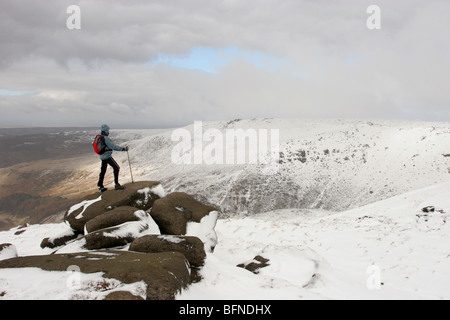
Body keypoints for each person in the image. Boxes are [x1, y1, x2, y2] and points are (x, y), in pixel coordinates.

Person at [97, 124, 129, 192]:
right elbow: (113, 146)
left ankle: (100, 186)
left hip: (102, 156)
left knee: (103, 171)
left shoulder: (100, 137)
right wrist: (123, 149)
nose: (108, 132)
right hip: (107, 156)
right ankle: (117, 184)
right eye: (108, 130)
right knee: (116, 167)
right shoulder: (105, 138)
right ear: (105, 131)